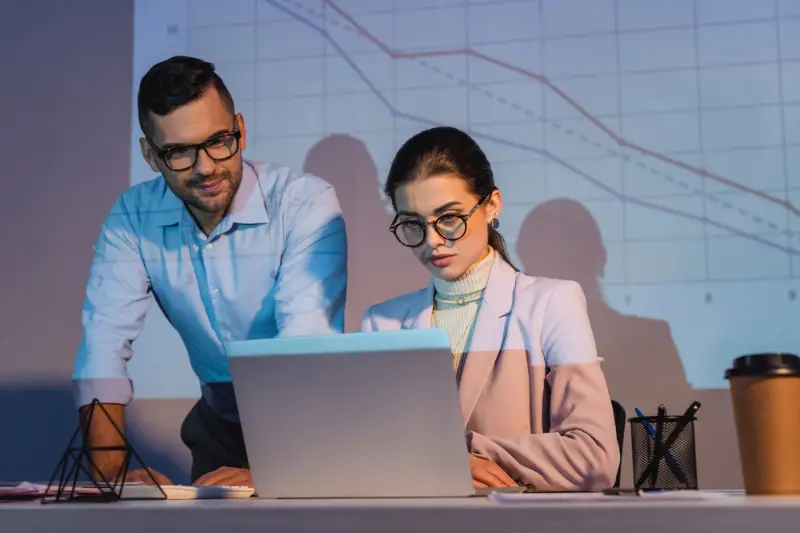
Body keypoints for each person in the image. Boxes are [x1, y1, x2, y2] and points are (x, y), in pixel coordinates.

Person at [72, 56, 347, 488]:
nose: (205, 167)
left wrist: (275, 474)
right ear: (149, 155)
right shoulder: (132, 217)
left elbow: (305, 349)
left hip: (313, 425)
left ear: (240, 127)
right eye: (179, 152)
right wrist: (112, 478)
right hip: (218, 426)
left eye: (220, 140)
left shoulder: (304, 203)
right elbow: (102, 343)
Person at [360, 126, 619, 491]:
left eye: (449, 217)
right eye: (413, 224)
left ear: (492, 204)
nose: (432, 240)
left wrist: (455, 453)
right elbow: (360, 456)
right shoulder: (379, 324)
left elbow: (594, 459)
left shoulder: (550, 304)